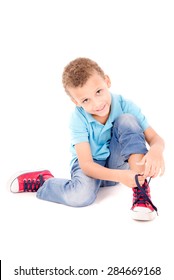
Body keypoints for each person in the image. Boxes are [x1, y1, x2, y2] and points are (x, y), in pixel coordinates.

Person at [8, 57, 165, 221]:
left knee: (127, 120)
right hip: (92, 166)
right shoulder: (78, 119)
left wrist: (156, 150)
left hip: (117, 165)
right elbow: (87, 165)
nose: (97, 103)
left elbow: (155, 138)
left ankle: (141, 190)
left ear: (107, 81)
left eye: (98, 91)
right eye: (85, 100)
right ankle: (44, 181)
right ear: (76, 102)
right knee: (80, 197)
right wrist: (120, 177)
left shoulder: (125, 104)